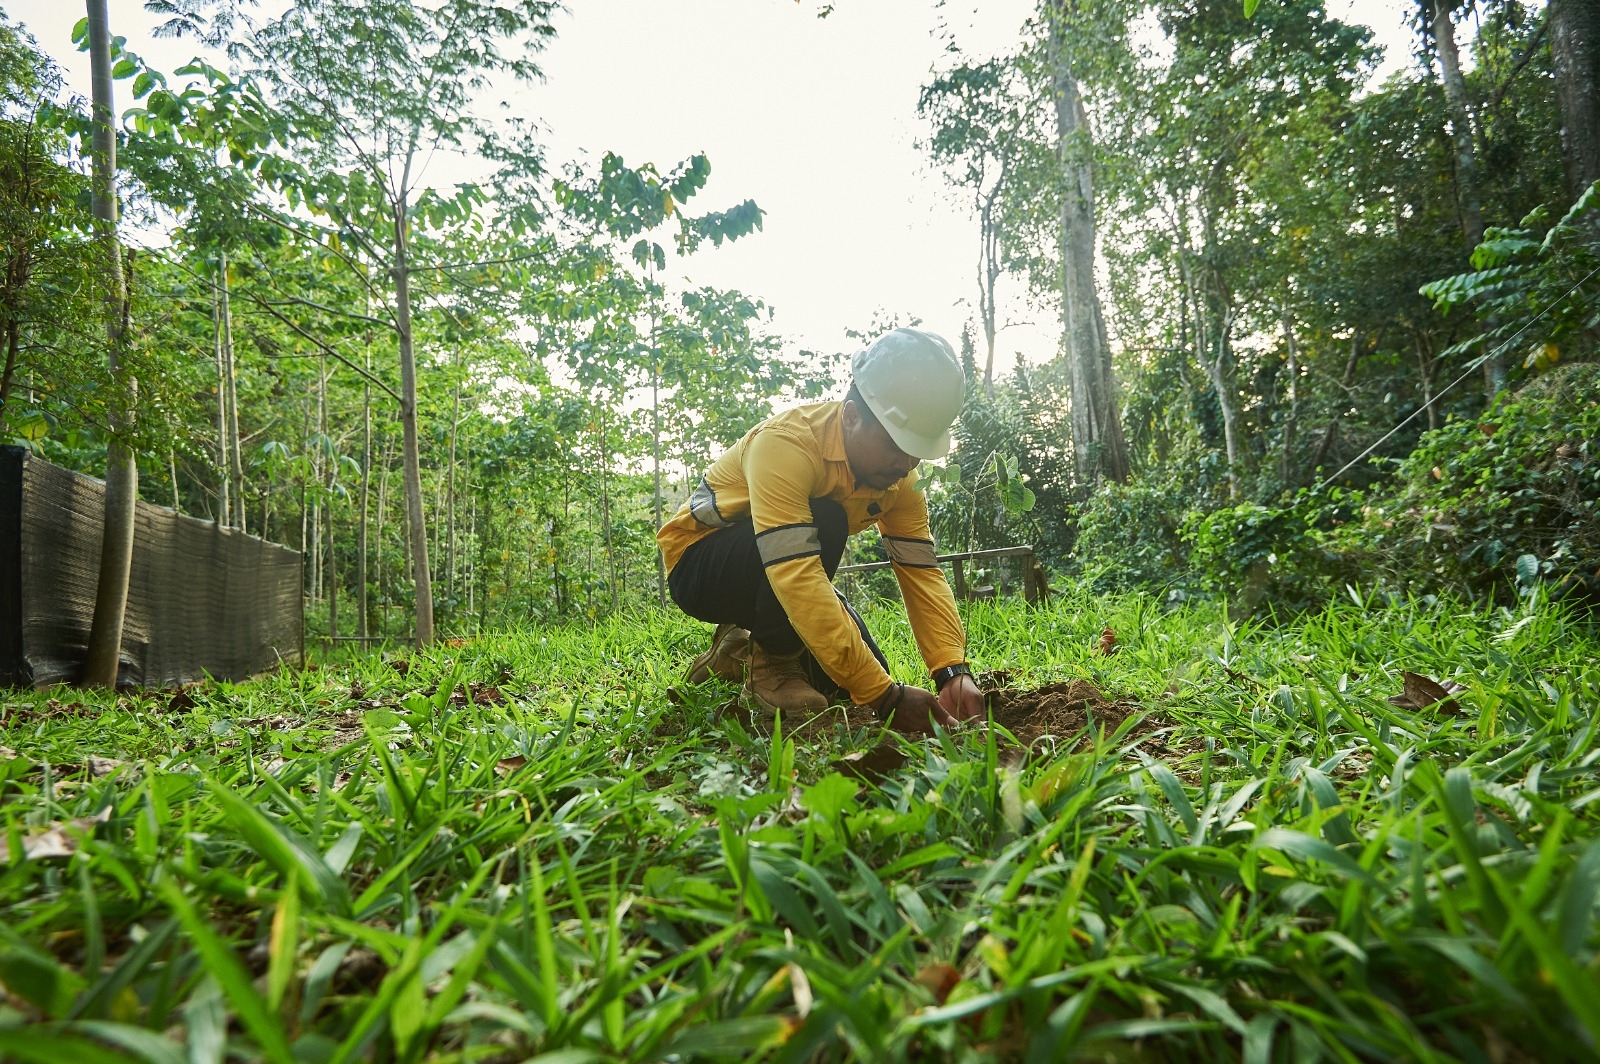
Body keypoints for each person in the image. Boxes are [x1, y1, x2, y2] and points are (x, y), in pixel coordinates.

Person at [657, 327, 986, 732]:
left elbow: (922, 575)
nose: (906, 464)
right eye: (895, 445)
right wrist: (887, 697)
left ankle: (737, 650)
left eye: (916, 450)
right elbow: (796, 576)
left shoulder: (901, 482)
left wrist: (951, 671)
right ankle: (772, 672)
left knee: (854, 680)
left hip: (780, 567)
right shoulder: (786, 445)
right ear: (851, 418)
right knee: (827, 520)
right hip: (701, 567)